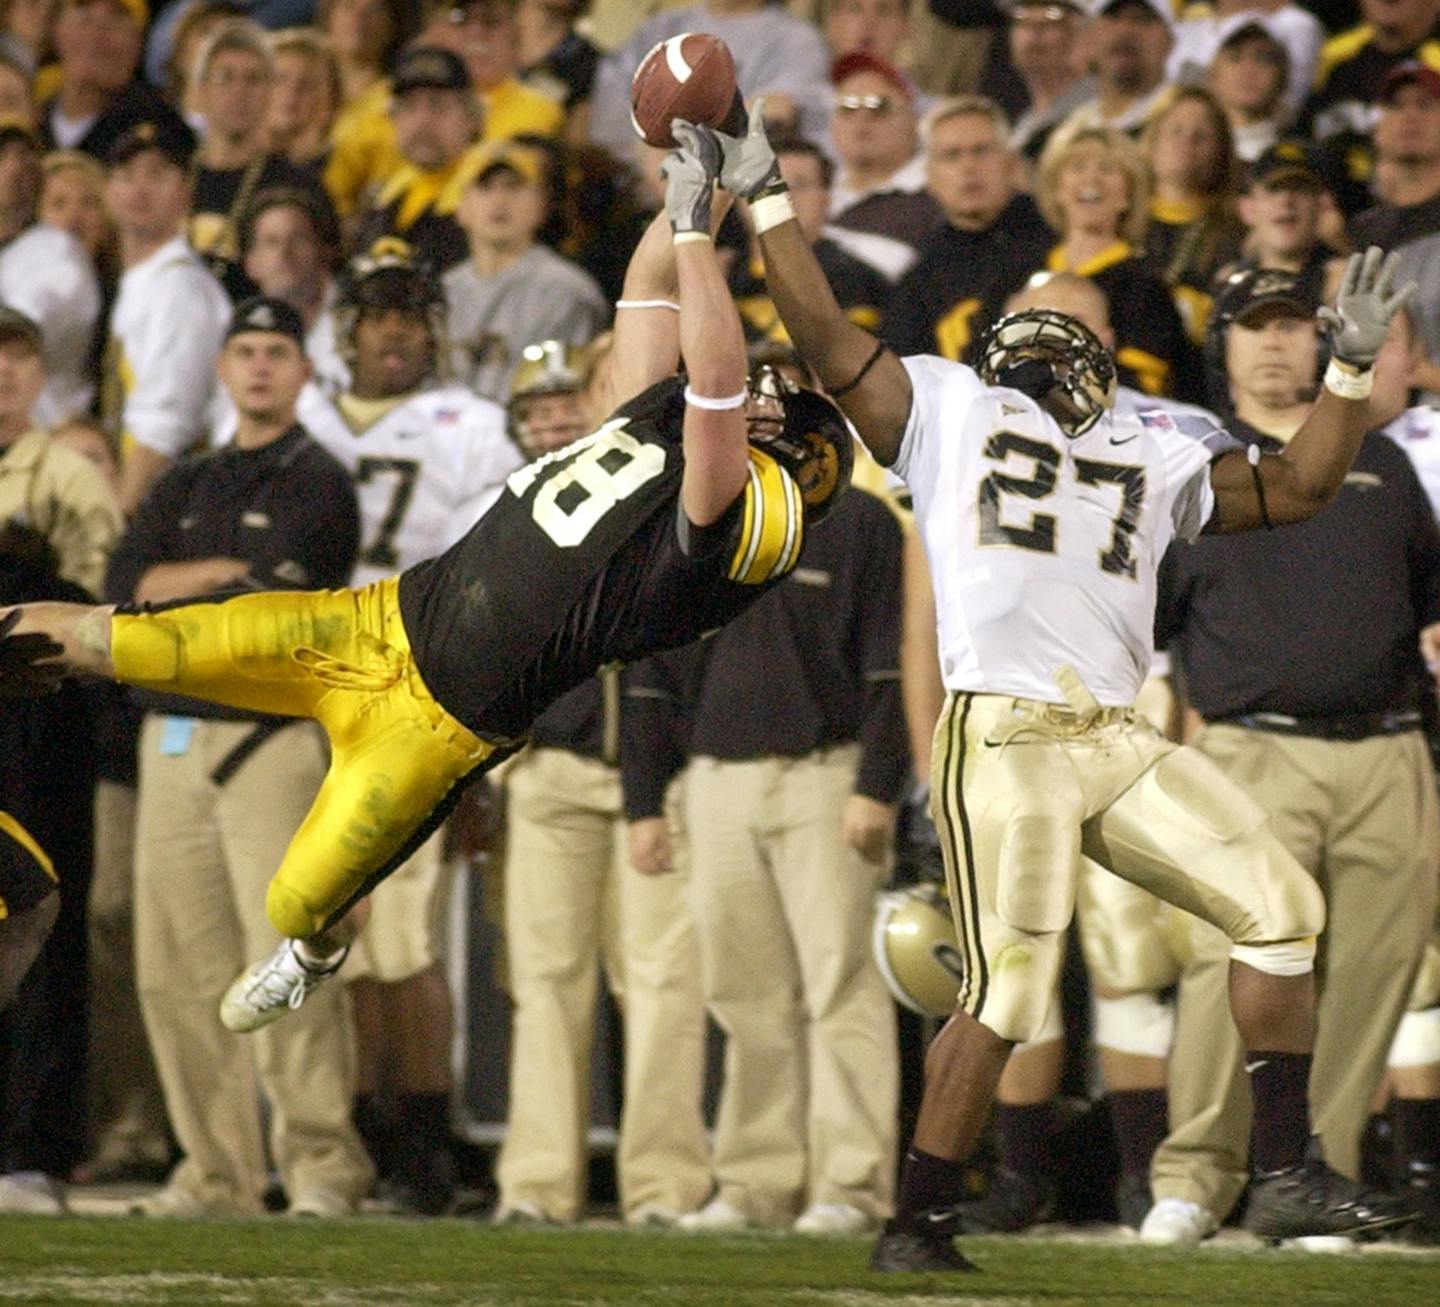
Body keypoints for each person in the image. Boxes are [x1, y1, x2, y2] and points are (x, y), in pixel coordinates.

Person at [706, 103, 1420, 1272]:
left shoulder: (1146, 442)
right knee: (1010, 988)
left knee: (1282, 909)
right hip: (1008, 732)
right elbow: (826, 336)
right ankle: (917, 1217)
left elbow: (1300, 485)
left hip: (1114, 728)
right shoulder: (954, 409)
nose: (1038, 345)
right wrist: (768, 199)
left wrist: (1346, 370)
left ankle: (1285, 1169)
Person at [0, 123, 854, 1059]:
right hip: (372, 620)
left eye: (785, 408)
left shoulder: (739, 525)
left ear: (799, 460)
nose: (769, 397)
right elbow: (646, 295)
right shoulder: (664, 428)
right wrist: (695, 186)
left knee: (296, 899)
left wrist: (700, 229)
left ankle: (315, 950)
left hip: (433, 726)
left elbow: (722, 381)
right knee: (118, 637)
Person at [1140, 277, 1440, 1247]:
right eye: (1254, 328)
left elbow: (1428, 601)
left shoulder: (1385, 461)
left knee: (1372, 973)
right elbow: (1146, 626)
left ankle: (1323, 1173)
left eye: (1292, 328)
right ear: (1221, 347)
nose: (1275, 346)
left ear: (1321, 346)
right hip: (1246, 748)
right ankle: (1195, 1171)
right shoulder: (1189, 463)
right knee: (1227, 965)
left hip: (1389, 749)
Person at [107, 295, 373, 1220]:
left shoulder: (320, 481)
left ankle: (322, 1169)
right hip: (171, 741)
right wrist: (220, 580)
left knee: (284, 961)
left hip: (269, 742)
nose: (260, 367)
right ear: (222, 368)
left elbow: (276, 615)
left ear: (304, 372)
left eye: (277, 352)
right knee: (173, 972)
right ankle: (215, 1173)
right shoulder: (182, 480)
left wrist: (190, 592)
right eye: (245, 351)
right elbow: (119, 589)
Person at [297, 239, 521, 1215]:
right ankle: (368, 1130)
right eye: (376, 311)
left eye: (409, 311)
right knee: (326, 929)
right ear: (346, 327)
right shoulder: (296, 412)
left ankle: (424, 1136)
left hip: (407, 686)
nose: (394, 329)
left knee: (403, 935)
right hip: (300, 689)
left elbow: (491, 569)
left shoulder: (470, 424)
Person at [491, 342, 710, 1229]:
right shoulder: (524, 506)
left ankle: (664, 1186)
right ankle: (537, 1184)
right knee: (546, 981)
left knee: (663, 986)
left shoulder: (686, 490)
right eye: (601, 383)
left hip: (659, 782)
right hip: (552, 771)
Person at [100, 116, 231, 515]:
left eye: (156, 174)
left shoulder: (178, 290)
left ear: (185, 193)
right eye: (126, 174)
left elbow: (163, 430)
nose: (139, 188)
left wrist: (115, 531)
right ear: (107, 190)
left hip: (174, 508)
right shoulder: (145, 280)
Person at [1033, 122, 1198, 400]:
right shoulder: (1020, 275)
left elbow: (1139, 392)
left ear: (1128, 196)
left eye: (1107, 170)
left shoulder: (1145, 288)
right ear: (1056, 189)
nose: (1092, 179)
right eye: (1077, 167)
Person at [881, 96, 1052, 363]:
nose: (968, 167)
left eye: (981, 151)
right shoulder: (920, 280)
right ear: (930, 177)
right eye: (952, 155)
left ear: (1011, 164)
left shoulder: (1057, 237)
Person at [445, 140, 608, 401]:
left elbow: (561, 399)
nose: (499, 200)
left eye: (514, 186)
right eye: (484, 187)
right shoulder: (444, 290)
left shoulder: (565, 291)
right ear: (460, 207)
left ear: (542, 204)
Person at [0, 119, 103, 428]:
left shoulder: (56, 251)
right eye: (4, 156)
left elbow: (22, 327)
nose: (16, 167)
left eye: (25, 156)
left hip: (50, 432)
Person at [350, 46, 482, 273]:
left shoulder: (488, 193)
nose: (422, 121)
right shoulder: (383, 196)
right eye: (409, 106)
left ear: (472, 118)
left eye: (438, 106)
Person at [1349, 62, 1440, 252]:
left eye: (1424, 104)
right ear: (1376, 128)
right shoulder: (1362, 231)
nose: (1409, 116)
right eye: (1396, 105)